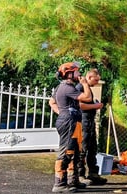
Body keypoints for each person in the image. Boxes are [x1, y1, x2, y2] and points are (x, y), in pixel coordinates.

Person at [52, 62, 94, 192]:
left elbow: (52, 102)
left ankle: (72, 181)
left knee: (75, 152)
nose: (79, 74)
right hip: (69, 122)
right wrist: (85, 84)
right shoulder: (67, 87)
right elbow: (87, 97)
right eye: (76, 71)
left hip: (73, 121)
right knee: (67, 152)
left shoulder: (65, 87)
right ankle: (59, 184)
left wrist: (62, 112)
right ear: (69, 73)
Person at [79, 69, 107, 185]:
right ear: (89, 77)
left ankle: (93, 174)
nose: (96, 82)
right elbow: (80, 105)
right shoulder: (80, 88)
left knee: (92, 148)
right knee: (82, 149)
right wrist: (96, 106)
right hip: (84, 122)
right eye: (95, 80)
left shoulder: (88, 88)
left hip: (90, 123)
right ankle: (79, 175)